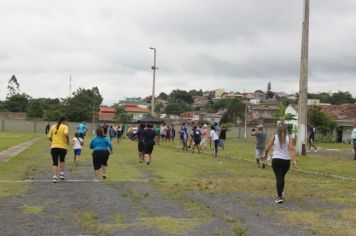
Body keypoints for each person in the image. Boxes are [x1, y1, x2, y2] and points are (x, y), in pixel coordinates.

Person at [264, 122, 297, 204]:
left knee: (279, 177)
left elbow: (267, 148)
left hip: (276, 160)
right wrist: (294, 160)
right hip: (286, 161)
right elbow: (292, 149)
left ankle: (279, 197)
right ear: (286, 129)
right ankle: (281, 193)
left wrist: (265, 155)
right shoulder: (289, 138)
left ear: (277, 129)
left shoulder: (274, 137)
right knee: (282, 177)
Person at [48, 116, 69, 183]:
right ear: (64, 121)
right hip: (63, 147)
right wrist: (68, 141)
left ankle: (54, 177)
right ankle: (62, 174)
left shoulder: (53, 126)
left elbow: (49, 137)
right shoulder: (65, 126)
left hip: (54, 147)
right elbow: (66, 133)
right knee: (62, 160)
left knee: (55, 162)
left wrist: (53, 141)